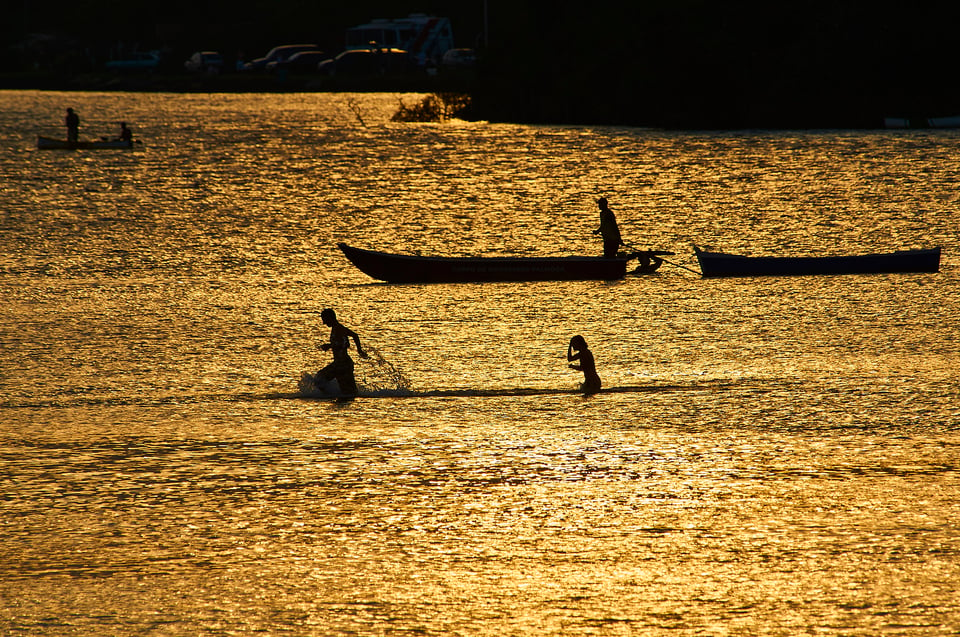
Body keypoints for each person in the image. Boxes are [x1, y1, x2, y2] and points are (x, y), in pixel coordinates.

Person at [316, 308, 368, 396]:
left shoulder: (338, 328)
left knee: (320, 378)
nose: (324, 323)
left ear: (330, 318)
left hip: (342, 364)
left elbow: (345, 344)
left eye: (324, 319)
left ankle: (328, 396)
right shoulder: (337, 328)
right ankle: (333, 397)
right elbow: (354, 336)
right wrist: (359, 350)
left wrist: (329, 346)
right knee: (348, 392)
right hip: (342, 364)